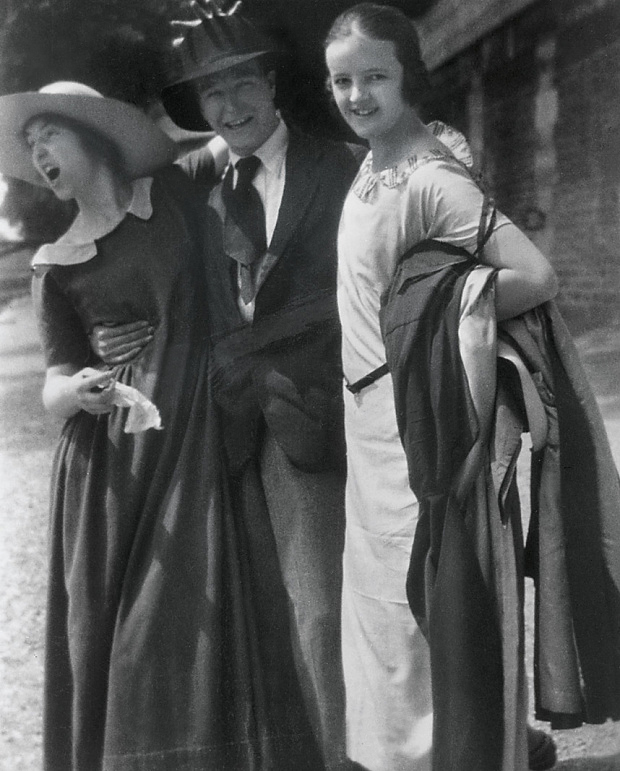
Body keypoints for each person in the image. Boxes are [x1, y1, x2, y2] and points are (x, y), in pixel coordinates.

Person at [92, 6, 365, 770]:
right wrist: (110, 333)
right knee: (246, 617)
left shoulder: (344, 166)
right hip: (214, 426)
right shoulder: (184, 186)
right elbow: (118, 260)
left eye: (241, 82)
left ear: (273, 82)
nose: (229, 107)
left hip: (325, 416)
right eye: (210, 94)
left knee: (324, 609)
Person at [0, 81, 283, 771]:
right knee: (129, 628)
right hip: (112, 463)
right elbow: (54, 381)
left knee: (199, 611)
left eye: (50, 140)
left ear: (93, 137)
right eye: (31, 149)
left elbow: (247, 130)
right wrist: (79, 388)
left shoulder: (175, 195)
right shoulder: (53, 263)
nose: (39, 156)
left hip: (200, 428)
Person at [323, 4, 565, 771]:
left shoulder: (429, 176)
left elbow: (535, 275)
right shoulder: (373, 162)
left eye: (374, 78)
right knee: (383, 618)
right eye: (341, 81)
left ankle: (462, 754)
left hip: (413, 422)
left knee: (419, 602)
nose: (357, 95)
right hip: (365, 417)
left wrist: (445, 313)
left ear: (409, 77)